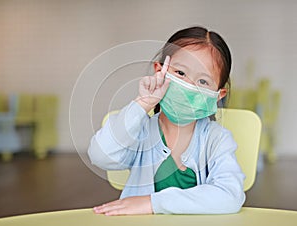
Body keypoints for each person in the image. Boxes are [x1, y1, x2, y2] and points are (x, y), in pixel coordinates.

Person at [88, 26, 245, 215]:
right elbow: (100, 155)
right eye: (180, 73)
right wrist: (142, 104)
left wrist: (152, 203)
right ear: (159, 71)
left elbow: (230, 196)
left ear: (218, 95)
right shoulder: (140, 131)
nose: (188, 85)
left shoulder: (217, 140)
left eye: (202, 81)